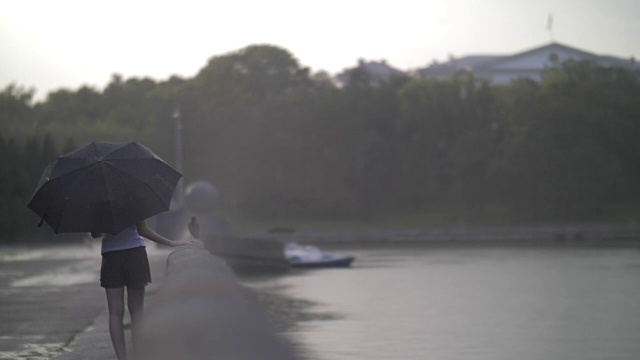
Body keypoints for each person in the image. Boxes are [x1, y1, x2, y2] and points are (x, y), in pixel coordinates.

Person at [92, 220, 192, 360]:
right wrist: (170, 242)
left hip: (111, 257)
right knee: (137, 311)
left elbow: (95, 234)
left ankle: (122, 358)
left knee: (115, 312)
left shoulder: (97, 204)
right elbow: (143, 230)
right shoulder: (133, 199)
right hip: (135, 254)